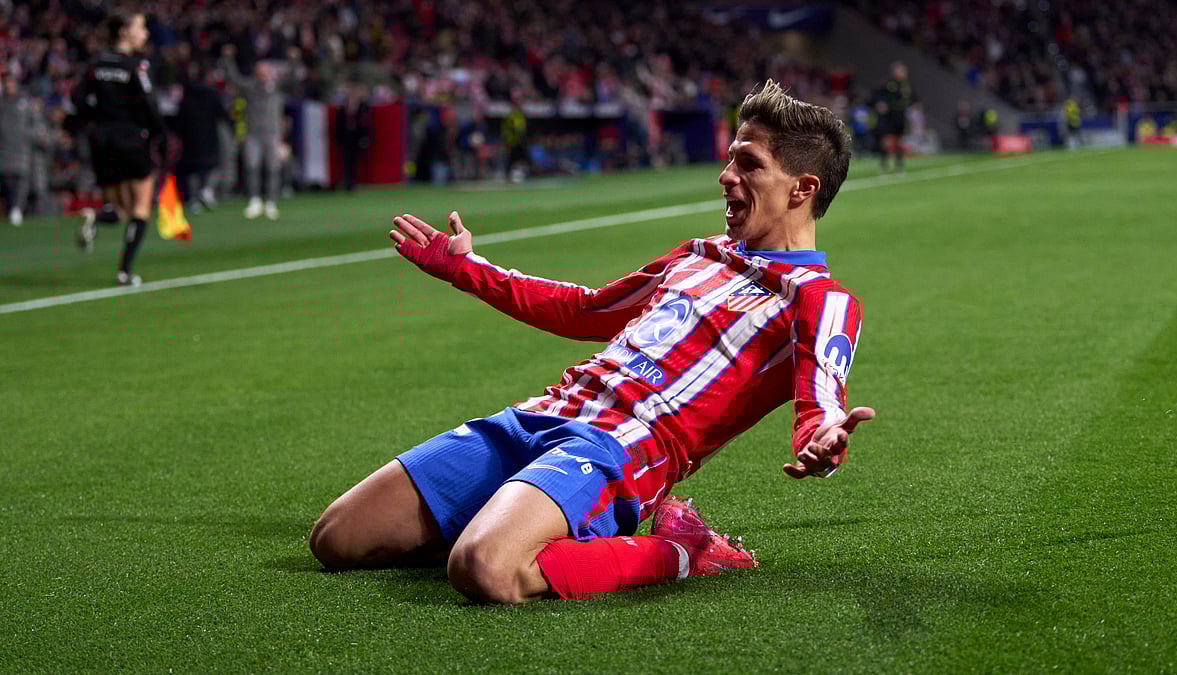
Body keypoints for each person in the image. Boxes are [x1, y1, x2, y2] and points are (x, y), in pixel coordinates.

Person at [309, 81, 875, 604]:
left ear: (803, 188)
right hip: (541, 416)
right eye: (730, 157)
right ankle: (517, 521)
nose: (726, 175)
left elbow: (820, 402)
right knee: (336, 539)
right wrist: (468, 269)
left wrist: (825, 441)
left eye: (749, 164)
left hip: (619, 452)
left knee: (486, 569)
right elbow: (585, 309)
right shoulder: (697, 256)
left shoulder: (819, 300)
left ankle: (683, 551)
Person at [71, 12, 166, 286]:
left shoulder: (96, 63)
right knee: (141, 207)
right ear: (125, 32)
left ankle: (94, 216)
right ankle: (124, 271)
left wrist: (95, 121)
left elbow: (77, 99)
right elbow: (150, 106)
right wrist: (161, 134)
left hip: (101, 143)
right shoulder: (136, 66)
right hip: (131, 139)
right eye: (141, 28)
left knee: (121, 208)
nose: (145, 34)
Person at [220, 44, 300, 221]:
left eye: (265, 73)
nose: (262, 76)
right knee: (252, 167)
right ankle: (255, 200)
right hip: (253, 134)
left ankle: (271, 202)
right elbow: (234, 78)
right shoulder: (250, 87)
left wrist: (294, 60)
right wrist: (228, 60)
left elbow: (293, 78)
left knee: (273, 168)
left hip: (272, 134)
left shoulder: (277, 87)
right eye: (260, 73)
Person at [172, 63, 232, 211]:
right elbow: (222, 114)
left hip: (190, 137)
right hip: (208, 136)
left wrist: (177, 135)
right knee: (212, 166)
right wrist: (232, 126)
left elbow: (179, 118)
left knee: (193, 169)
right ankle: (206, 190)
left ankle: (195, 199)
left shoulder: (186, 95)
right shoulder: (211, 94)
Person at [0, 72, 34, 226]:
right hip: (4, 152)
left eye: (11, 83)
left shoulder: (25, 103)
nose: (9, 86)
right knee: (7, 183)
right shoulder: (1, 104)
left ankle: (17, 210)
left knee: (21, 183)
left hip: (22, 151)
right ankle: (11, 210)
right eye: (6, 83)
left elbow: (34, 124)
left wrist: (30, 136)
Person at [873, 61, 917, 174]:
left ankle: (899, 166)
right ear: (895, 72)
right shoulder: (888, 84)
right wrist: (881, 103)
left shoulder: (906, 85)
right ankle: (884, 165)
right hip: (889, 117)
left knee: (899, 142)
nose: (903, 73)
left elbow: (913, 99)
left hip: (900, 117)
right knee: (886, 141)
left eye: (904, 71)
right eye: (901, 71)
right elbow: (878, 95)